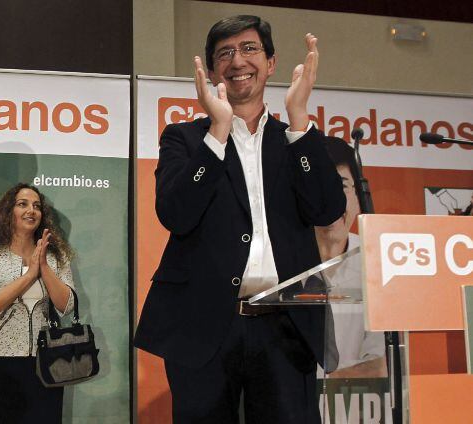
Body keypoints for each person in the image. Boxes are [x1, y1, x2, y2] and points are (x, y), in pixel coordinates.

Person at [134, 15, 346, 423]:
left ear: (271, 63)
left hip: (286, 326)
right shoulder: (186, 139)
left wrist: (299, 116)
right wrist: (218, 128)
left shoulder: (295, 141)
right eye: (225, 53)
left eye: (249, 49)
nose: (237, 61)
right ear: (213, 71)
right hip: (204, 324)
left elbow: (326, 209)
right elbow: (176, 214)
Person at [0, 183, 75, 423]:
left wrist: (43, 267)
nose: (31, 210)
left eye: (37, 206)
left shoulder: (54, 255)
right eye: (23, 204)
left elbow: (67, 305)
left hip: (47, 362)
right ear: (9, 211)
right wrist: (30, 275)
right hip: (0, 363)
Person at [316, 137, 386, 378]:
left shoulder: (375, 261)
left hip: (361, 407)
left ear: (358, 198)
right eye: (321, 185)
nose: (333, 201)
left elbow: (383, 363)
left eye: (343, 185)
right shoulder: (281, 260)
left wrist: (324, 388)